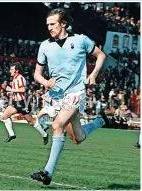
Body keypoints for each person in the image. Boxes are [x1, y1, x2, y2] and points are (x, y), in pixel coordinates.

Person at [30, 8, 109, 185]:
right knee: (77, 138)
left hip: (76, 92)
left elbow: (101, 56)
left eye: (53, 24)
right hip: (57, 95)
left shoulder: (80, 40)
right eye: (48, 24)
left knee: (57, 125)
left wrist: (94, 74)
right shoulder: (45, 46)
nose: (49, 27)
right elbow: (37, 74)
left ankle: (47, 172)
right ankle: (100, 121)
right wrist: (46, 82)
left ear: (64, 23)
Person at [1, 62, 49, 145]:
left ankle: (44, 134)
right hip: (15, 103)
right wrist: (11, 93)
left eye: (12, 69)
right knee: (4, 116)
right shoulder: (14, 78)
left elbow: (23, 90)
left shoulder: (20, 78)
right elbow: (17, 91)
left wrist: (10, 90)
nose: (10, 71)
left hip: (22, 103)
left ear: (17, 70)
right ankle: (12, 134)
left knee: (31, 122)